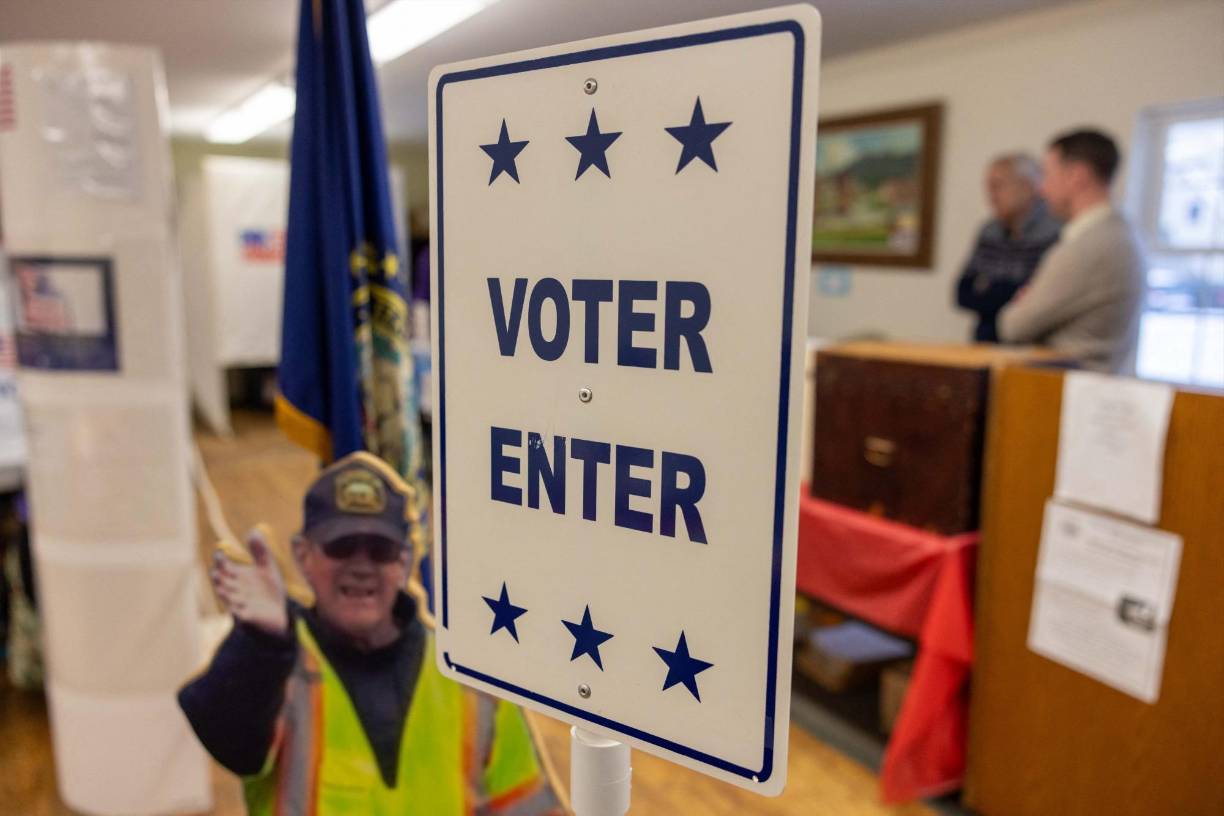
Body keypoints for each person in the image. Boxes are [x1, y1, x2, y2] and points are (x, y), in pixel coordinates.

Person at [179, 451, 561, 815]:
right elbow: (228, 741)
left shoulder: (468, 678)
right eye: (341, 546)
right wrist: (261, 641)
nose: (361, 567)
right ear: (302, 556)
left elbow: (524, 804)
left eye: (380, 549)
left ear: (405, 561)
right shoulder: (273, 663)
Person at [998, 129, 1145, 373]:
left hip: (1070, 394)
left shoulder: (1093, 244)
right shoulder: (1119, 233)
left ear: (1077, 176)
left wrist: (1022, 304)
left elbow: (1013, 326)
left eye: (1047, 175)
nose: (1041, 189)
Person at [955, 153, 1061, 342]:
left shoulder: (1056, 231)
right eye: (988, 187)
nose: (990, 195)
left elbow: (1041, 300)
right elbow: (962, 293)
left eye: (997, 186)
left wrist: (989, 290)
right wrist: (1009, 294)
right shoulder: (989, 231)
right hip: (986, 341)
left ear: (1028, 187)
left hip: (1032, 347)